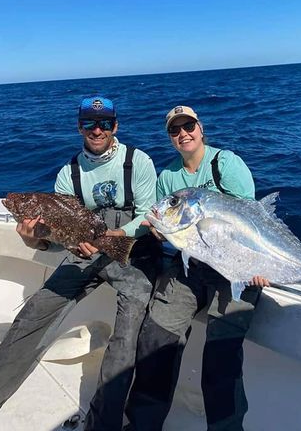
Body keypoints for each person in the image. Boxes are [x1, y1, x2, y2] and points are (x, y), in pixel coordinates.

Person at [0, 96, 161, 431]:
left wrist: (114, 237)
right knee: (35, 310)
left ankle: (103, 423)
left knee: (128, 330)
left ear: (115, 126)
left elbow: (149, 216)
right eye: (89, 123)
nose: (97, 129)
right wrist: (33, 239)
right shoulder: (67, 174)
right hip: (82, 252)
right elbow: (57, 238)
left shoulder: (140, 162)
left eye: (104, 122)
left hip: (132, 253)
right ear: (79, 127)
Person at [125, 105, 269, 431]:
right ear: (170, 138)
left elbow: (252, 221)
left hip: (237, 268)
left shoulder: (225, 163)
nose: (183, 134)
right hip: (188, 268)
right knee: (155, 343)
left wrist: (257, 264)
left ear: (201, 129)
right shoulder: (168, 178)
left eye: (188, 126)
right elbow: (162, 224)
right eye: (175, 130)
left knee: (221, 361)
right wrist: (158, 230)